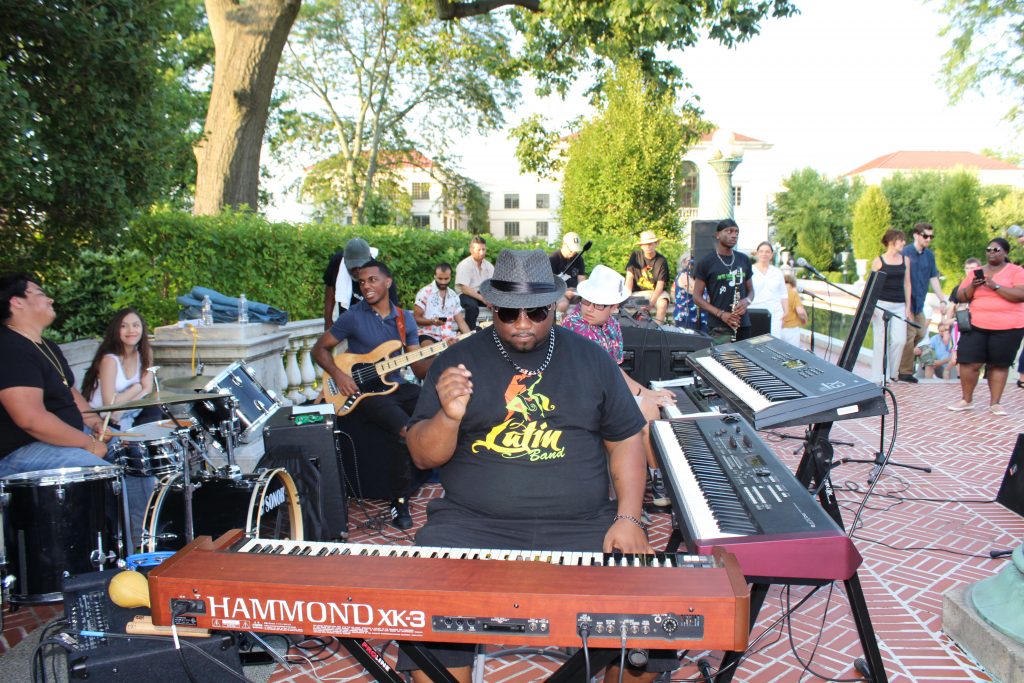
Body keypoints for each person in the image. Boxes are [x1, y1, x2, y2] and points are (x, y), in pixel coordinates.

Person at [404, 250, 670, 683]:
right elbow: (421, 455)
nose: (523, 323)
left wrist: (628, 516)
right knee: (432, 618)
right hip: (472, 525)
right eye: (509, 313)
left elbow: (624, 439)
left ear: (555, 305)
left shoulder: (592, 359)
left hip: (583, 523)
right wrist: (448, 416)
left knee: (643, 627)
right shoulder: (456, 363)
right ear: (492, 307)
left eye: (536, 312)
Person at [312, 260, 425, 529]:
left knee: (432, 406)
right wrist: (339, 376)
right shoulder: (352, 316)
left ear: (388, 282)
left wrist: (443, 351)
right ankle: (399, 502)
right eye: (362, 282)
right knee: (404, 429)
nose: (366, 286)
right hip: (364, 392)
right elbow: (319, 349)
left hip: (395, 384)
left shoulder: (404, 318)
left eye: (372, 280)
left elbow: (418, 368)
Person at [561, 265, 678, 509]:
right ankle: (657, 482)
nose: (590, 309)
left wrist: (649, 392)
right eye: (586, 302)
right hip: (581, 398)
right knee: (647, 410)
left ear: (614, 307)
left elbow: (614, 371)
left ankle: (653, 478)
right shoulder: (576, 326)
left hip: (604, 391)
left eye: (598, 305)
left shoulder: (612, 326)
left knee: (650, 407)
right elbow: (610, 375)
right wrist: (646, 394)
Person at [0, 273, 110, 478]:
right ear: (16, 302)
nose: (50, 299)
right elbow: (30, 419)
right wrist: (89, 443)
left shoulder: (48, 346)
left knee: (131, 456)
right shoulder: (9, 347)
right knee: (100, 472)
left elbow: (68, 392)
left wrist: (96, 423)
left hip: (66, 440)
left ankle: (142, 512)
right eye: (41, 293)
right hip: (21, 450)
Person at [947, 238, 1024, 415]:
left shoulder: (1016, 271)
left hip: (1008, 327)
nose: (992, 252)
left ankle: (995, 403)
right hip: (976, 325)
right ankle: (966, 400)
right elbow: (961, 296)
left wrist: (994, 285)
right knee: (968, 362)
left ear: (1005, 252)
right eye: (989, 249)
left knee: (998, 364)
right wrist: (973, 286)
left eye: (996, 250)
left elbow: (1020, 294)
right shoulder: (976, 272)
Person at [81, 308, 158, 430]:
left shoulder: (145, 352)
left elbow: (147, 389)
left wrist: (123, 409)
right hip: (102, 419)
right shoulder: (109, 360)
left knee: (154, 410)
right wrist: (136, 388)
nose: (131, 330)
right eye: (124, 326)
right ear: (116, 330)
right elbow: (109, 405)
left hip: (124, 412)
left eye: (135, 325)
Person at [898, 222, 949, 382]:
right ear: (916, 235)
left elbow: (933, 278)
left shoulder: (929, 255)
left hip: (919, 303)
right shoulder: (905, 253)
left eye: (931, 236)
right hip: (906, 303)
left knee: (919, 334)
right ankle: (904, 372)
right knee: (909, 335)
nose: (928, 239)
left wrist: (942, 299)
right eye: (925, 236)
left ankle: (902, 365)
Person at [691, 219, 754, 342]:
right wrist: (721, 314)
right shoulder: (706, 262)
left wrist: (747, 301)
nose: (734, 235)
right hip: (719, 326)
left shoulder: (743, 259)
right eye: (729, 231)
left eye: (736, 232)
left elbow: (751, 290)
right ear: (718, 235)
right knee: (722, 360)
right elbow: (696, 297)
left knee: (744, 361)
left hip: (743, 324)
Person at [322, 237, 398, 330]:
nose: (357, 271)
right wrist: (328, 322)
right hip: (345, 323)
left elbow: (392, 313)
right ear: (345, 261)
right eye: (353, 267)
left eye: (361, 266)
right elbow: (330, 288)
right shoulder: (337, 263)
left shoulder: (381, 276)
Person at [869, 229, 913, 385]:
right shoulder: (879, 261)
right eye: (901, 240)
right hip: (881, 303)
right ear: (891, 241)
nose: (903, 243)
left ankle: (892, 373)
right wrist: (870, 306)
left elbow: (907, 283)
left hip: (899, 304)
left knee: (900, 340)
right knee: (879, 340)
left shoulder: (905, 260)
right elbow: (871, 285)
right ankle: (877, 377)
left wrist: (908, 307)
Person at [413, 262, 471, 346]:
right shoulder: (424, 292)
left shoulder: (453, 296)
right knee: (430, 353)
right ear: (434, 276)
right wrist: (432, 322)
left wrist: (470, 338)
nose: (443, 282)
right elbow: (416, 318)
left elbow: (461, 322)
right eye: (440, 278)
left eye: (446, 279)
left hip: (447, 338)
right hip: (426, 335)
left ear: (450, 277)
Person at [624, 230, 671, 323]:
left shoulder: (661, 260)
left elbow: (659, 287)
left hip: (655, 292)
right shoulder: (635, 256)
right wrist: (627, 295)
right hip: (637, 292)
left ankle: (658, 329)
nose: (648, 246)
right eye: (645, 244)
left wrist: (650, 304)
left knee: (663, 303)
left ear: (656, 244)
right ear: (641, 246)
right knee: (625, 305)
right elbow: (629, 278)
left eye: (651, 244)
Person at [749, 241, 788, 337]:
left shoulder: (777, 272)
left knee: (773, 342)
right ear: (757, 253)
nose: (764, 254)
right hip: (754, 311)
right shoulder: (749, 270)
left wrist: (786, 311)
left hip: (774, 313)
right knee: (753, 342)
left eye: (767, 252)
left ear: (771, 255)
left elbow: (783, 294)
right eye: (761, 251)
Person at [454, 235, 494, 330]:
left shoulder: (489, 266)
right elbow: (464, 288)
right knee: (472, 307)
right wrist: (484, 299)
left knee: (499, 305)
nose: (482, 252)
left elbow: (493, 285)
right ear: (471, 250)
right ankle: (470, 334)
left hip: (483, 294)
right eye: (479, 250)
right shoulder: (464, 265)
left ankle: (496, 333)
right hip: (466, 295)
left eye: (484, 249)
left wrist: (492, 299)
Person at [549, 231, 588, 315]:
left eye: (575, 250)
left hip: (575, 291)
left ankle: (583, 327)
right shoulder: (553, 258)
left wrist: (583, 291)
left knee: (589, 303)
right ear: (564, 244)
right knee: (563, 304)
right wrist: (564, 291)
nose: (573, 252)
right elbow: (550, 282)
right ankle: (560, 325)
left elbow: (581, 278)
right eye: (571, 250)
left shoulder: (578, 258)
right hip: (558, 291)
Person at [672, 252, 706, 331]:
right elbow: (697, 292)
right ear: (684, 262)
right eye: (690, 260)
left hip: (702, 316)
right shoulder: (683, 275)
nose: (693, 262)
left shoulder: (699, 276)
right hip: (686, 316)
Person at [780, 273, 808, 348]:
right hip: (791, 330)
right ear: (793, 283)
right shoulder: (793, 293)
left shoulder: (777, 293)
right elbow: (800, 311)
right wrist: (805, 319)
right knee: (792, 355)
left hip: (778, 328)